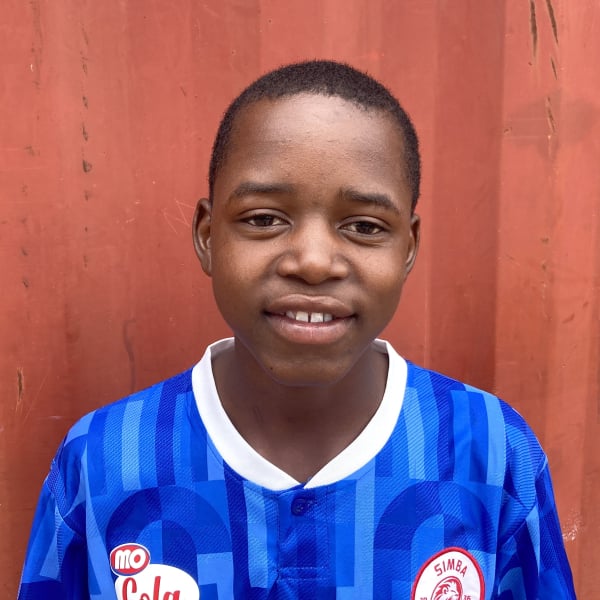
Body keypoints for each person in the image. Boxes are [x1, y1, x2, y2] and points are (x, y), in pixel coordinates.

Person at [18, 60, 575, 599]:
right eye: (264, 219)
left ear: (408, 248)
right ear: (208, 236)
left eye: (364, 226)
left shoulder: (490, 451)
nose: (312, 261)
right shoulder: (104, 460)